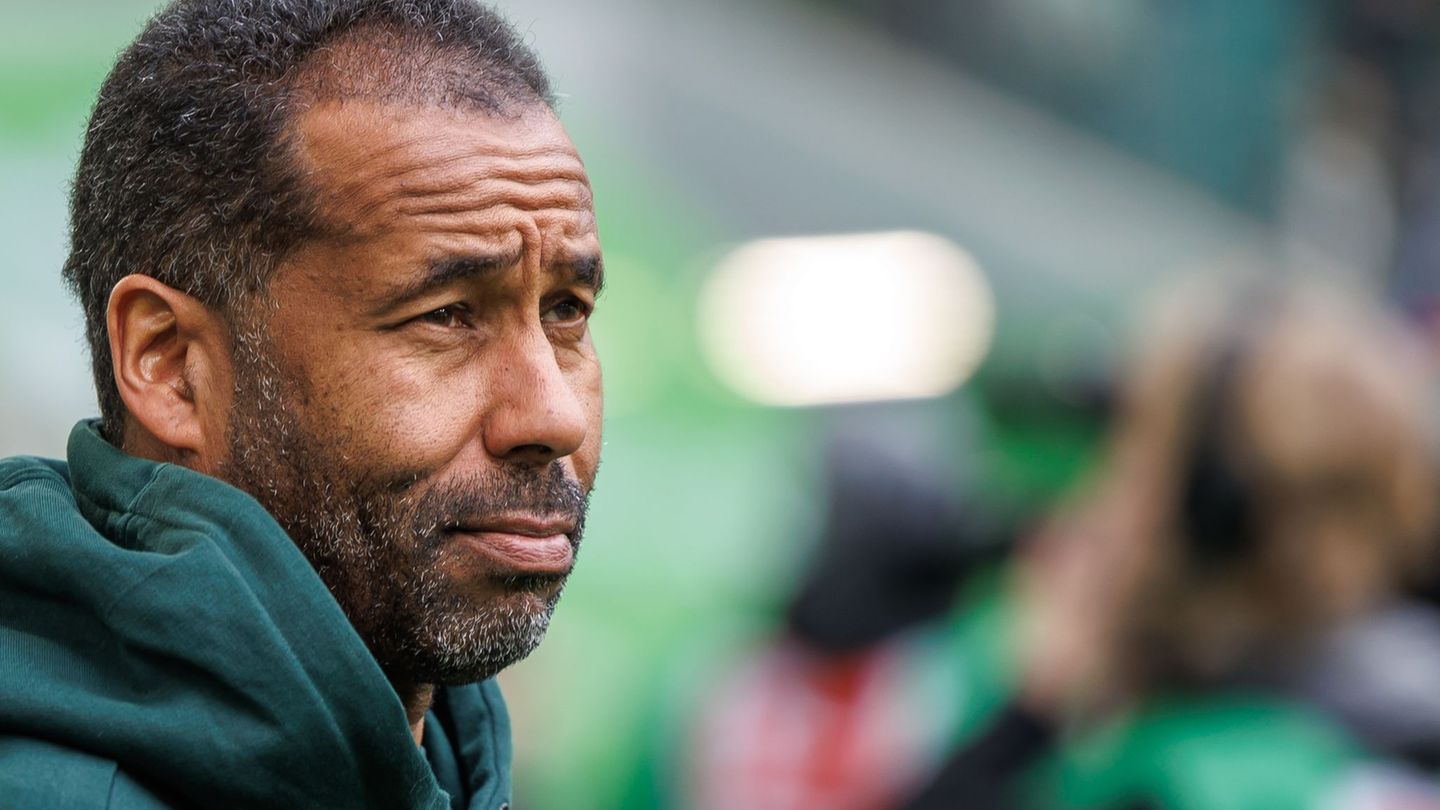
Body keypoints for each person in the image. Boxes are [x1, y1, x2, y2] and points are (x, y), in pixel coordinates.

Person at [0, 1, 603, 807]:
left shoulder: (443, 755)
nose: (555, 416)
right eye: (446, 315)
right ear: (171, 364)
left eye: (565, 311)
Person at [903, 282, 1440, 809]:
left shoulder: (1182, 779)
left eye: (1139, 442)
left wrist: (1028, 717)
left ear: (1207, 518)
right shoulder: (1357, 741)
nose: (1103, 484)